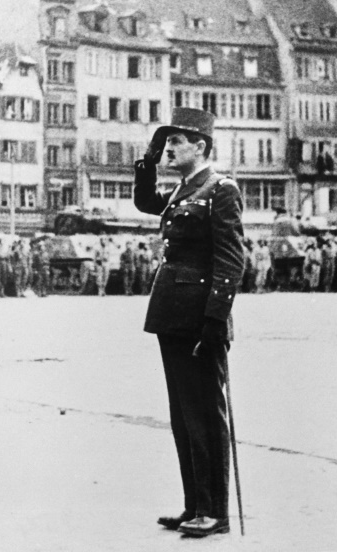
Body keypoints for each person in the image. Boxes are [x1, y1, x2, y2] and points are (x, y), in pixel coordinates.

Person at [134, 107, 245, 535]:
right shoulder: (184, 189)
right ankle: (194, 503)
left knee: (203, 412)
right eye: (166, 143)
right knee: (183, 414)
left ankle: (214, 510)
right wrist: (148, 162)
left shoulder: (220, 190)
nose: (169, 149)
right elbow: (146, 201)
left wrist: (216, 319)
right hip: (173, 314)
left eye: (176, 142)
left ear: (200, 146)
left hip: (200, 318)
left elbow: (231, 259)